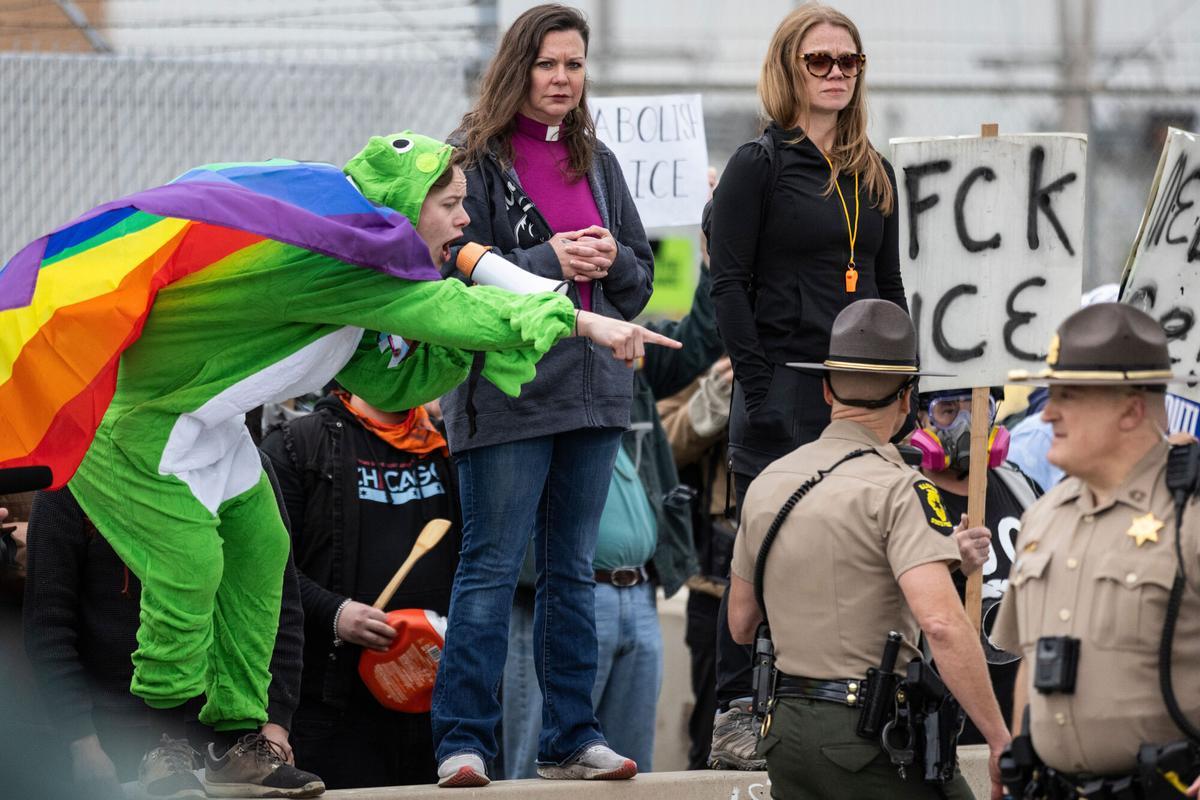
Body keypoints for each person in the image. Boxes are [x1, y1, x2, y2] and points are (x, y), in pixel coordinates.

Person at [2, 130, 676, 796]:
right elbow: (453, 310)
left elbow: (389, 381)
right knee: (191, 569)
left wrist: (455, 348)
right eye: (450, 204)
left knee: (264, 554)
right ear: (407, 205)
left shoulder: (352, 287)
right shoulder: (337, 268)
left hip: (204, 426)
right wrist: (586, 323)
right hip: (136, 426)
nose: (467, 220)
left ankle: (237, 737)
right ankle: (162, 741)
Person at [432, 4, 656, 787]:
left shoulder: (598, 162)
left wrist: (608, 257)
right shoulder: (476, 158)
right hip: (510, 397)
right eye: (548, 64)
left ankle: (571, 736)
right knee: (491, 568)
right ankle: (463, 740)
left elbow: (639, 284)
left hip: (595, 398)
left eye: (575, 65)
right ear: (518, 67)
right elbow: (457, 265)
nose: (563, 79)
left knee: (572, 571)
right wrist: (549, 255)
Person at [706, 4, 908, 766]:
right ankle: (735, 709)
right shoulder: (758, 164)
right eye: (818, 61)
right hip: (782, 386)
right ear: (788, 69)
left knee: (850, 550)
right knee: (762, 549)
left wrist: (903, 389)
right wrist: (757, 396)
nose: (834, 74)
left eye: (847, 62)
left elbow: (890, 287)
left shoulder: (872, 173)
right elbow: (729, 286)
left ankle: (834, 706)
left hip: (858, 397)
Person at [727, 300, 1009, 799]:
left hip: (783, 733)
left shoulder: (769, 480)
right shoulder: (903, 488)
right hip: (871, 737)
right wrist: (998, 737)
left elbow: (742, 624)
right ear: (907, 399)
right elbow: (942, 625)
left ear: (827, 388)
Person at [502, 261, 721, 779]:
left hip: (639, 595)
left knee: (628, 773)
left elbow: (697, 340)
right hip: (562, 599)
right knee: (543, 773)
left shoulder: (623, 358)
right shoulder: (520, 357)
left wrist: (713, 259)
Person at [994, 302, 1200, 798]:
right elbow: (1030, 656)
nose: (1047, 412)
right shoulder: (1044, 514)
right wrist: (1020, 751)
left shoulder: (1189, 513)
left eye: (1070, 396)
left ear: (1130, 409)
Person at [23, 455, 306, 800]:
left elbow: (278, 602)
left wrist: (276, 721)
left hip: (234, 743)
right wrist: (81, 740)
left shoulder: (240, 457)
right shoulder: (75, 467)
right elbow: (48, 623)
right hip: (118, 736)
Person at [260, 390, 460, 789]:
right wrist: (336, 614)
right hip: (333, 702)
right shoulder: (295, 444)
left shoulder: (450, 446)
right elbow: (267, 571)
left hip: (436, 701)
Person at [910, 388, 1043, 745]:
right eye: (948, 411)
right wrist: (950, 566)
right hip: (949, 727)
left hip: (1026, 719)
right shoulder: (904, 498)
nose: (968, 425)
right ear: (920, 417)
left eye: (980, 409)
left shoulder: (1021, 486)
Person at [657, 355, 736, 770]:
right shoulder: (709, 361)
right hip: (716, 584)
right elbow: (662, 442)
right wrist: (711, 404)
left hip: (793, 584)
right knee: (710, 735)